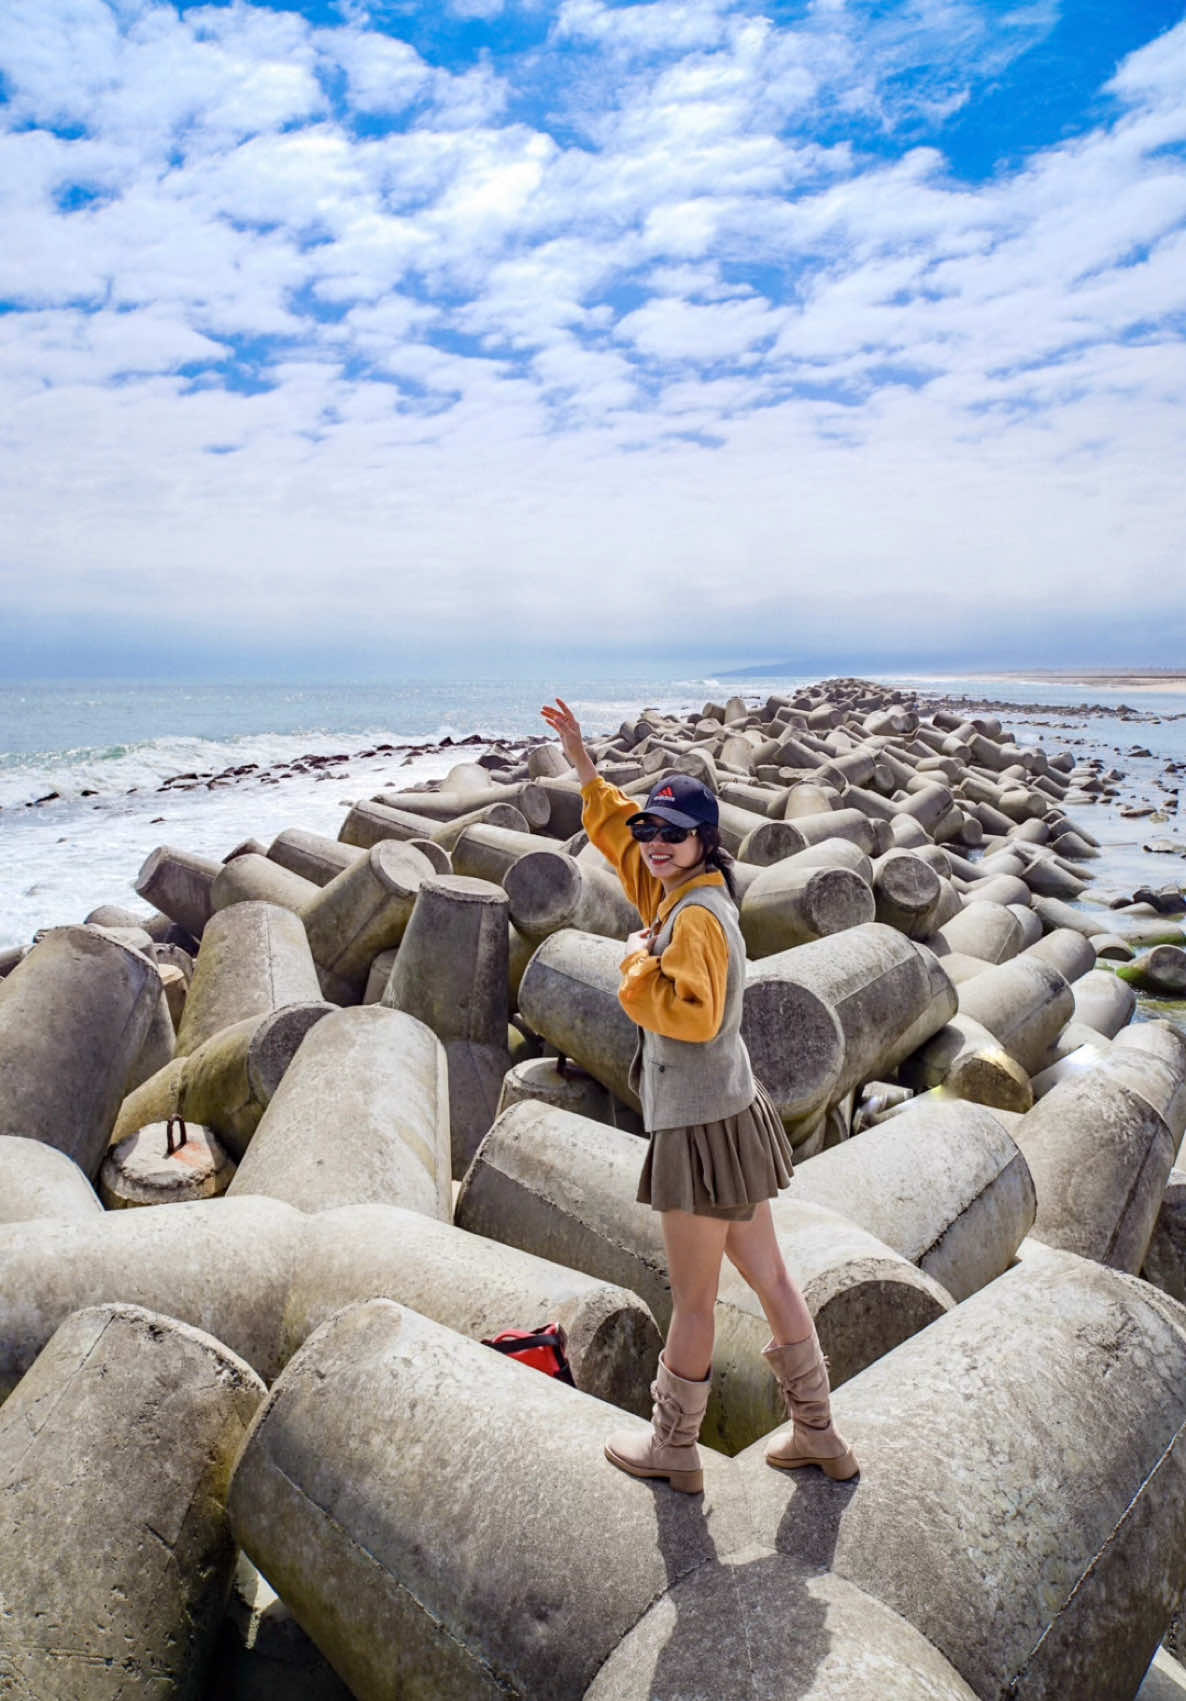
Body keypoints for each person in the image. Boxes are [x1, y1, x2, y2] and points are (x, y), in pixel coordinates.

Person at [540, 698, 858, 1494]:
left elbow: (694, 1013)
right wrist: (583, 764)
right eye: (650, 831)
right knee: (774, 1280)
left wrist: (635, 966)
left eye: (670, 833)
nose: (652, 844)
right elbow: (615, 838)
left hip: (699, 1130)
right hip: (733, 1118)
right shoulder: (683, 892)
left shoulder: (696, 922)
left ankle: (674, 1447)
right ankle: (819, 1431)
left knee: (693, 1301)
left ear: (704, 841)